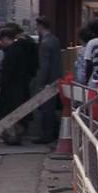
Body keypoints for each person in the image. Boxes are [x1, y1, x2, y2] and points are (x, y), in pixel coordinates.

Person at [0, 24, 38, 145]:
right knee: (19, 112)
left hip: (11, 88)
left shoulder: (12, 52)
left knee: (9, 112)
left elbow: (8, 72)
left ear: (5, 38)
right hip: (22, 85)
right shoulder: (23, 49)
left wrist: (1, 84)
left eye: (1, 40)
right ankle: (16, 134)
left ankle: (12, 136)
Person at [34, 16, 63, 144]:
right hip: (56, 77)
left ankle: (47, 135)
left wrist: (41, 82)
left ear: (41, 26)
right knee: (51, 108)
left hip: (48, 80)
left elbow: (44, 65)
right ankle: (53, 132)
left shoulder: (45, 43)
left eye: (37, 26)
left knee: (46, 109)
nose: (36, 29)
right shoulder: (55, 40)